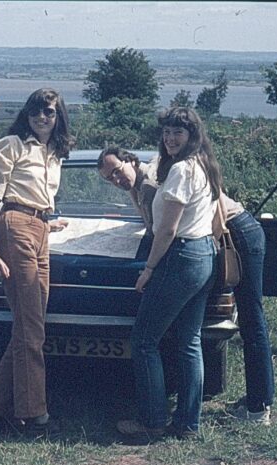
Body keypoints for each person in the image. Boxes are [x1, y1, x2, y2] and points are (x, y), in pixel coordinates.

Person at [99, 149, 275, 427]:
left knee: (252, 320)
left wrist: (150, 270)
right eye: (109, 178)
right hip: (212, 241)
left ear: (131, 160)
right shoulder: (147, 179)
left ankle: (259, 406)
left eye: (118, 171)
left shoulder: (150, 184)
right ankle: (209, 416)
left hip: (236, 232)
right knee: (192, 336)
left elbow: (162, 230)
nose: (116, 179)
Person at [111, 107, 221, 441]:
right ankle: (188, 424)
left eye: (178, 133)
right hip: (203, 254)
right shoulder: (203, 164)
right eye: (167, 133)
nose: (170, 139)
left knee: (144, 340)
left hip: (180, 256)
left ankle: (152, 420)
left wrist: (148, 269)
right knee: (189, 341)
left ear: (192, 136)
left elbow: (168, 230)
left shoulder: (181, 171)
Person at [0, 88, 74, 436]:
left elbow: (40, 198)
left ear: (58, 115)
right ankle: (33, 414)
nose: (42, 117)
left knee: (28, 324)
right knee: (31, 327)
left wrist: (47, 223)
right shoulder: (11, 145)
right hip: (14, 225)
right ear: (27, 114)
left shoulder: (56, 153)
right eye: (35, 111)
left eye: (49, 112)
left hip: (40, 228)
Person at [222, 193, 274, 425]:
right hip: (239, 231)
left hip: (241, 234)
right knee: (252, 322)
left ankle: (258, 410)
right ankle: (259, 397)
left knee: (252, 322)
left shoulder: (184, 170)